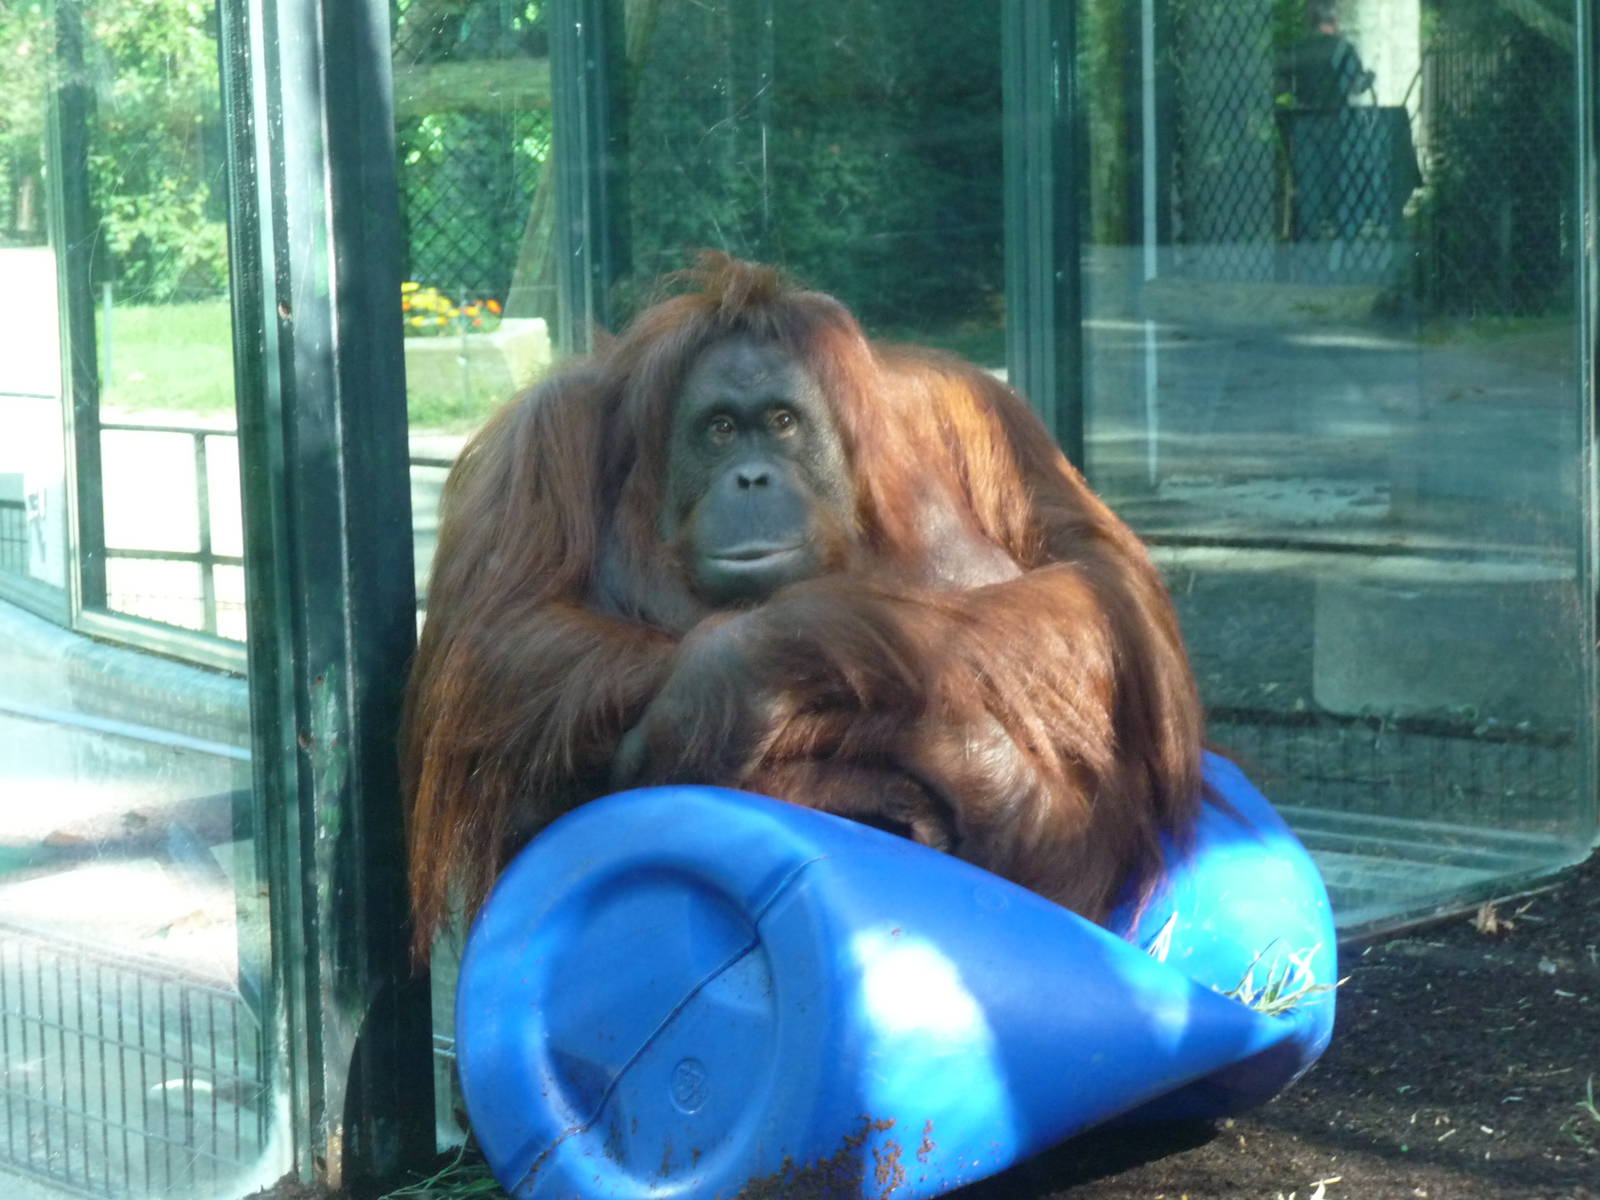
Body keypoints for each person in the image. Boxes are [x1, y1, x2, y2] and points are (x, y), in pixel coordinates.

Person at [1277, 2, 1376, 243]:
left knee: (1308, 180)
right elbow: (1356, 86)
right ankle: (1342, 233)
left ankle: (1309, 239)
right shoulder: (1343, 48)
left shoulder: (1297, 49)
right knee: (1337, 176)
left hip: (1304, 120)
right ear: (1334, 20)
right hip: (1335, 121)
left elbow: (1279, 82)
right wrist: (1370, 77)